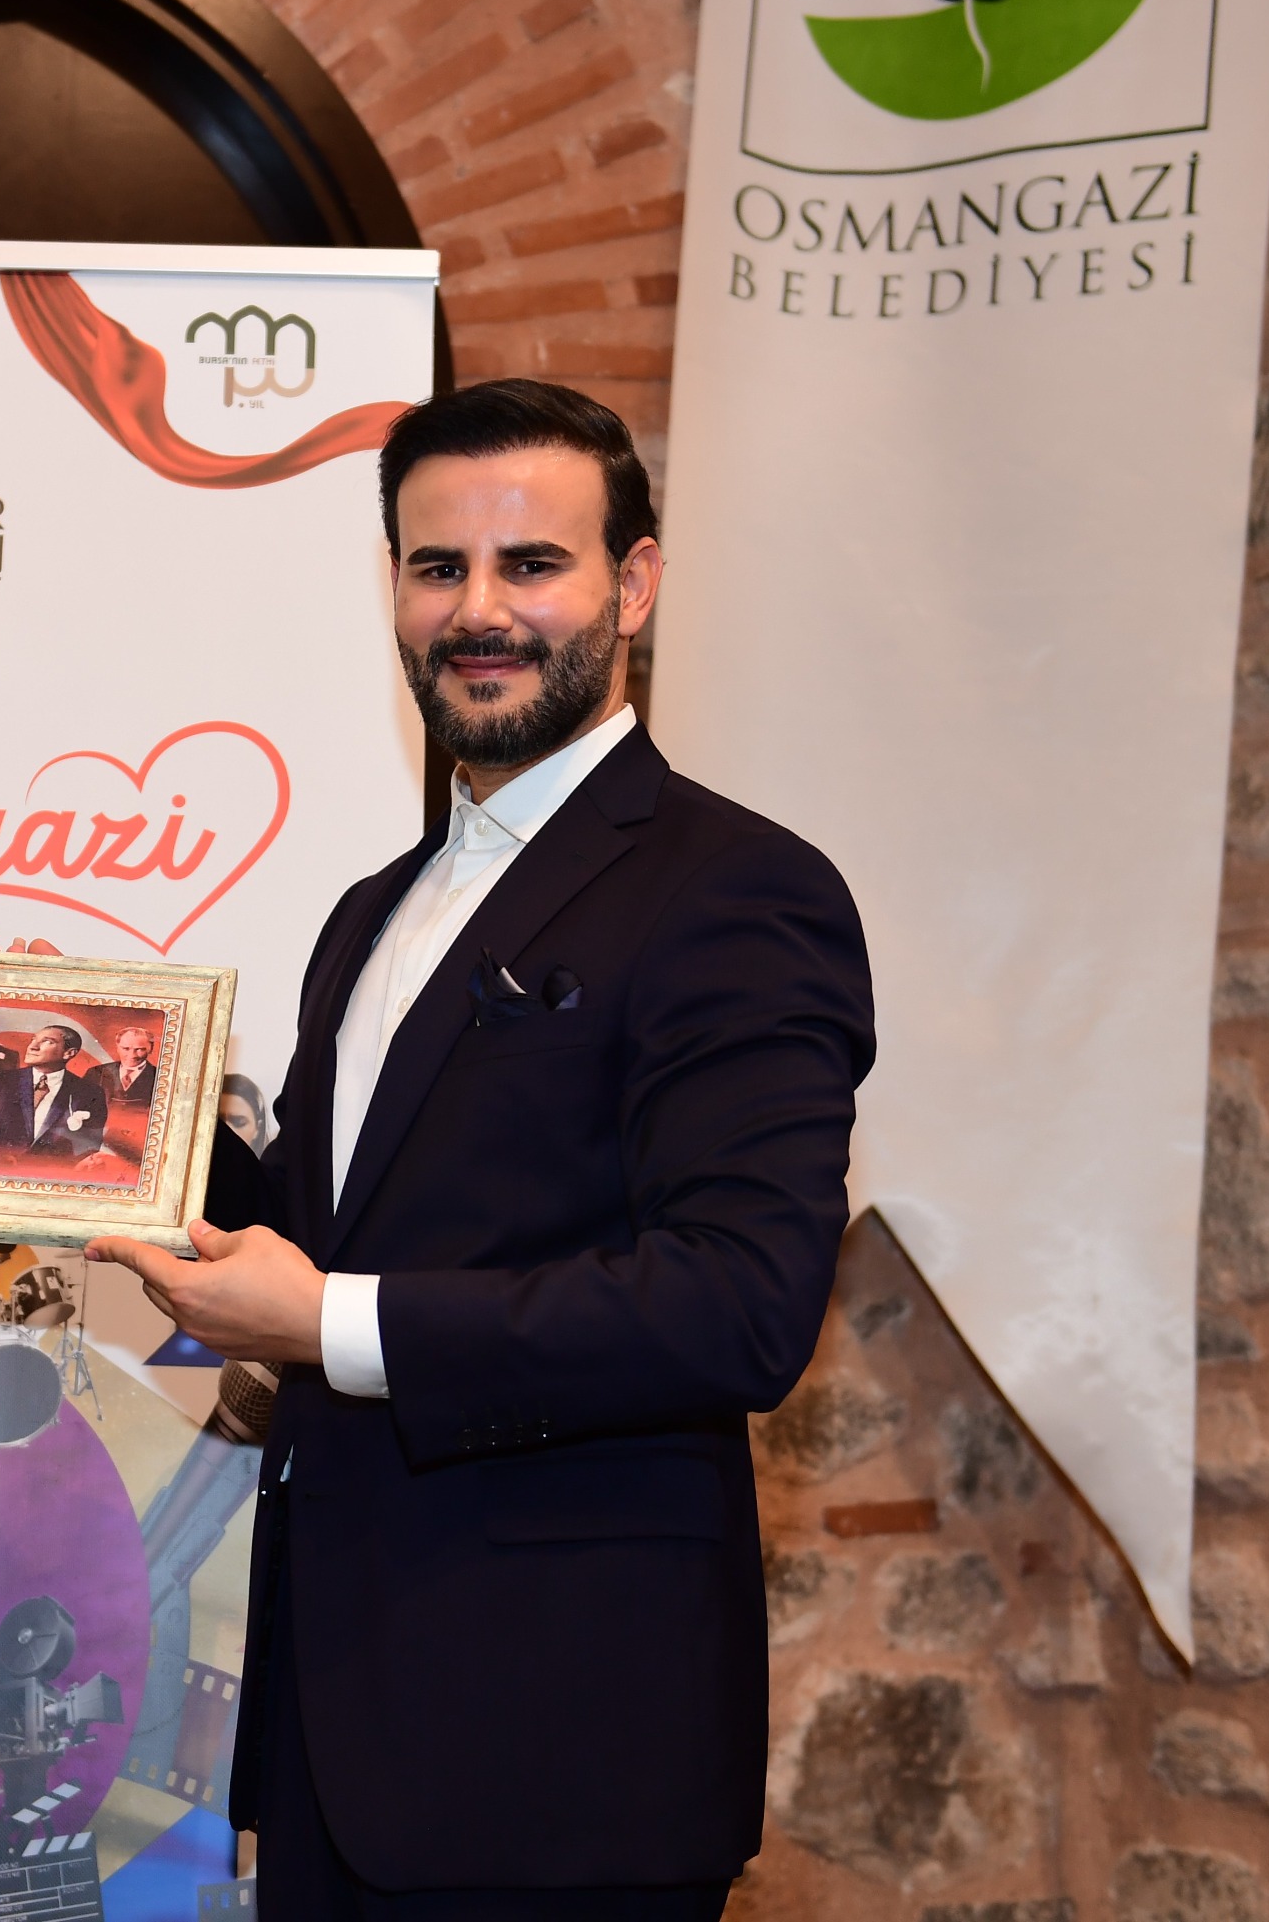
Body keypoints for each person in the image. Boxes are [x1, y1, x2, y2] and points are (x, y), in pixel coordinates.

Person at [88, 382, 876, 1918]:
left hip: (564, 1758)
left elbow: (741, 1303)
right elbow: (326, 1226)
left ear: (633, 585)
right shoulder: (373, 912)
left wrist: (329, 1323)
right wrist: (85, 1091)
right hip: (335, 1740)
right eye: (438, 566)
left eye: (533, 564)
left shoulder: (737, 890)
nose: (480, 611)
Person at [0, 1023, 109, 1167]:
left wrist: (81, 1164)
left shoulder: (89, 1093)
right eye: (33, 1040)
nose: (33, 1046)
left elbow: (89, 1142)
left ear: (69, 1053)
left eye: (47, 1042)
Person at [102, 1023, 159, 1103]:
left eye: (139, 1049)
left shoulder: (159, 1076)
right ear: (117, 1048)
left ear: (150, 1049)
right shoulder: (95, 1073)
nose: (132, 1055)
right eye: (126, 1048)